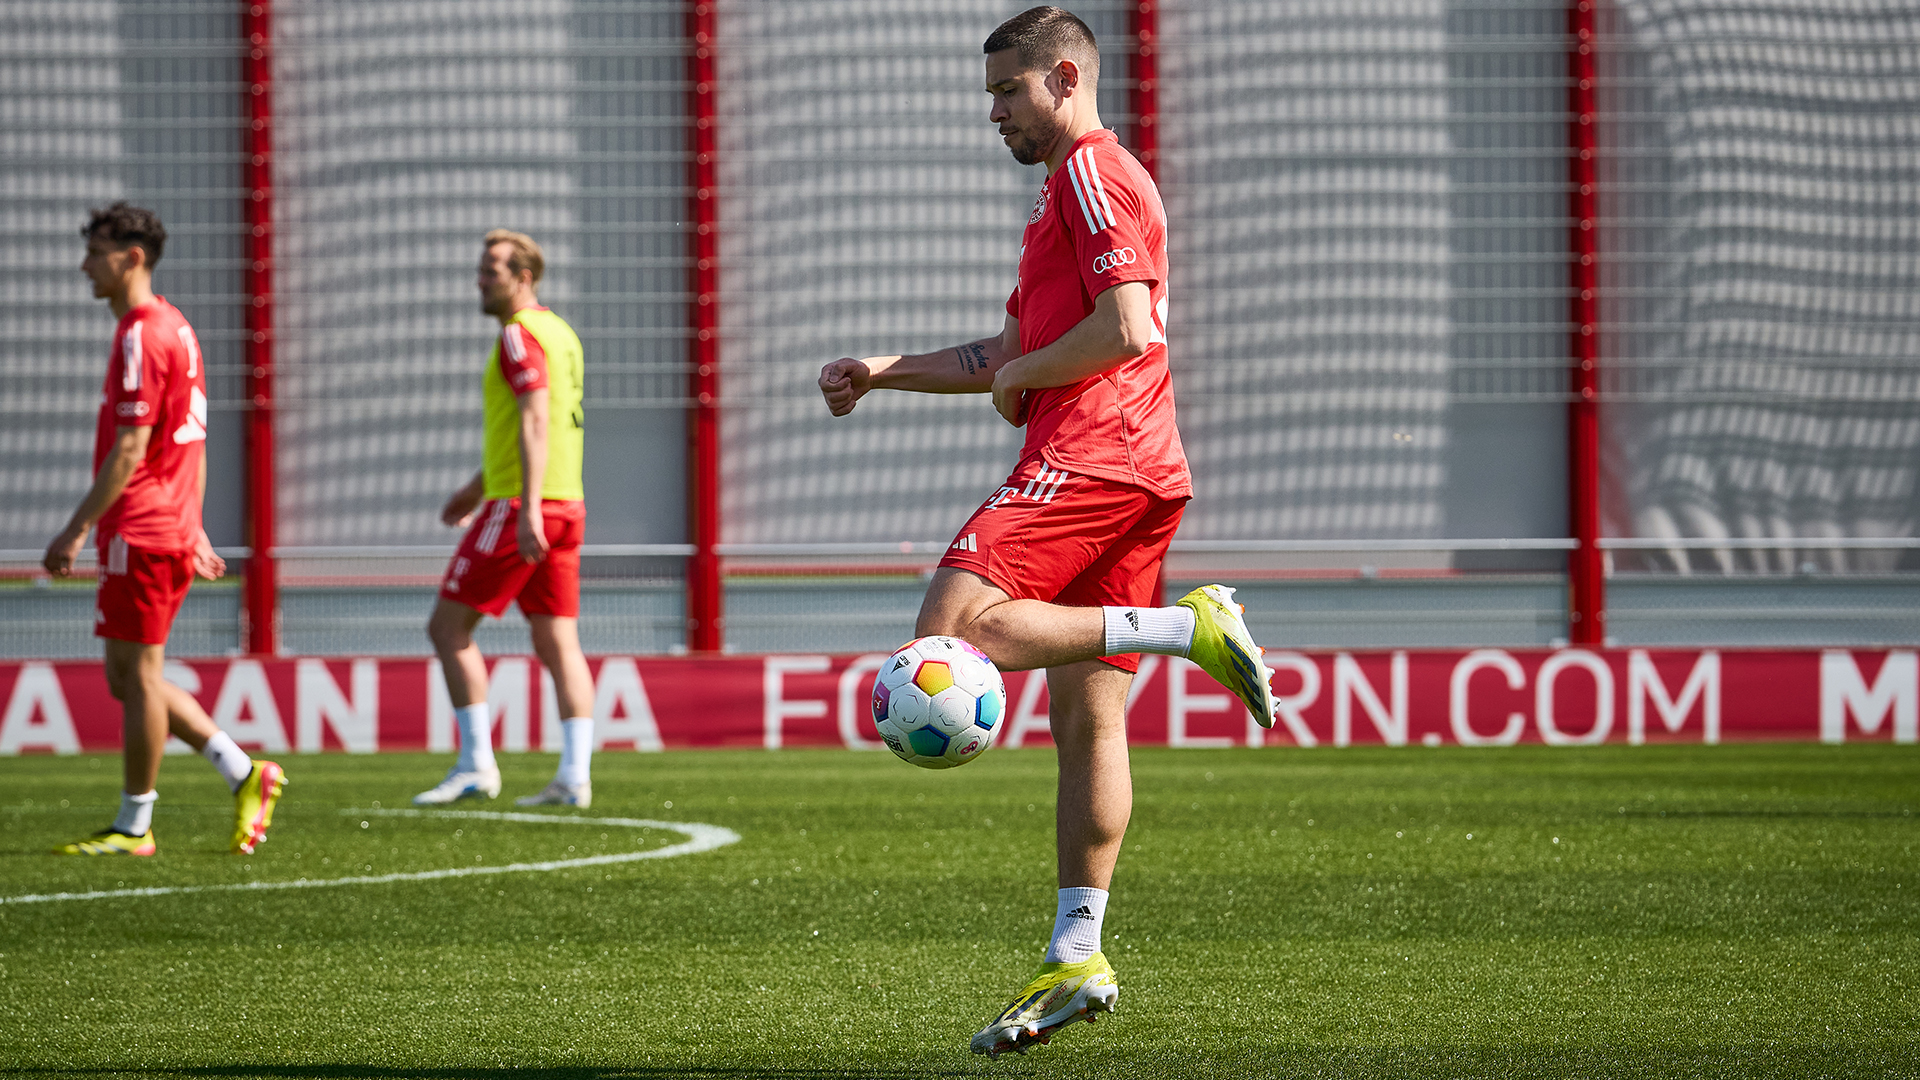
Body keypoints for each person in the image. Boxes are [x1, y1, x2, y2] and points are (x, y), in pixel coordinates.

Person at [817, 7, 1281, 1058]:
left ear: (1063, 78)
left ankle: (1187, 630)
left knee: (954, 635)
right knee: (1088, 723)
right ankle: (1079, 952)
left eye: (1006, 93)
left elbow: (1125, 330)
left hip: (1095, 453)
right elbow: (1011, 347)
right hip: (1140, 467)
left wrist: (1026, 376)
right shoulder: (1063, 196)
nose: (994, 114)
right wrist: (886, 371)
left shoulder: (1091, 173)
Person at [46, 202, 286, 857]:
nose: (84, 265)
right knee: (128, 677)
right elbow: (194, 442)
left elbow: (132, 448)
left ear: (132, 257)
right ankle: (245, 773)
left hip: (143, 527)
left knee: (140, 677)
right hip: (164, 522)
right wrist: (196, 521)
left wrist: (74, 530)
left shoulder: (140, 335)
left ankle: (134, 825)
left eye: (95, 252)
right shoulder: (176, 327)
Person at [415, 229, 595, 808]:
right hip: (566, 503)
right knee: (558, 641)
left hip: (525, 506)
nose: (480, 278)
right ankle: (574, 776)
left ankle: (475, 766)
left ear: (523, 277)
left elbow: (536, 421)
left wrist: (521, 508)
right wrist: (474, 488)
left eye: (491, 269)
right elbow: (529, 429)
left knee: (447, 629)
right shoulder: (560, 331)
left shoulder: (519, 335)